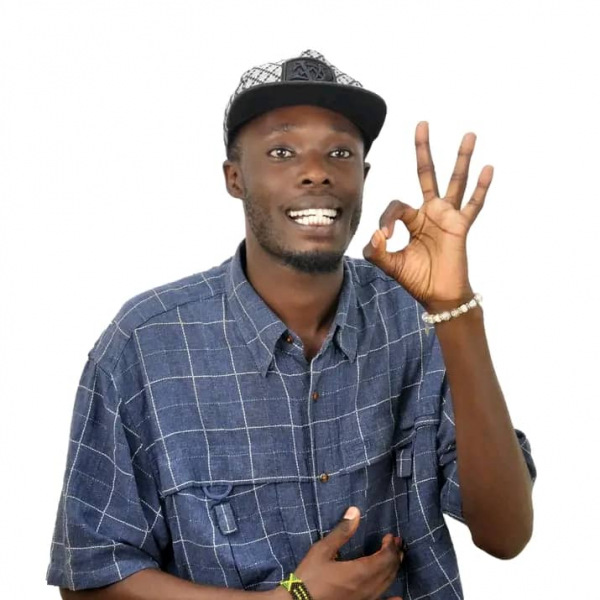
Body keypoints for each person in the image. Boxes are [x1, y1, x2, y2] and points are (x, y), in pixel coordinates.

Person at [47, 49, 536, 600]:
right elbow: (89, 579)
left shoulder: (418, 317)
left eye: (340, 152)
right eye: (282, 151)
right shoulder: (145, 345)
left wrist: (457, 308)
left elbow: (506, 535)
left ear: (363, 177)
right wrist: (291, 598)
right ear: (235, 178)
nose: (317, 171)